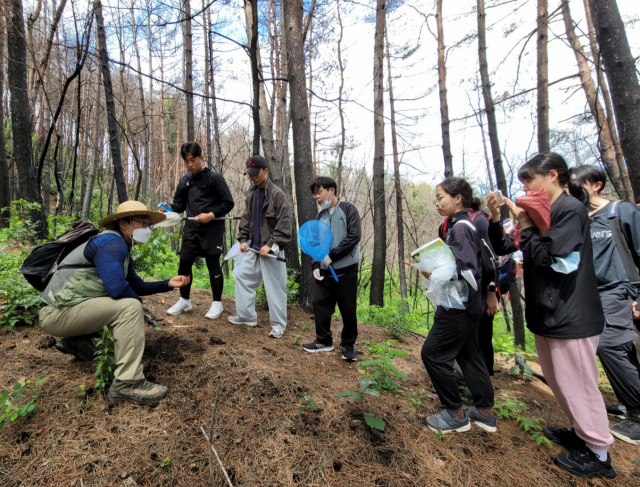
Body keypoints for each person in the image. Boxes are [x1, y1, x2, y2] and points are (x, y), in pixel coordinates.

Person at [488, 152, 615, 479]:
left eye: (530, 179)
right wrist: (508, 221)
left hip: (570, 312)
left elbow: (556, 259)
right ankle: (581, 432)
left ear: (554, 176)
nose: (527, 187)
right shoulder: (545, 210)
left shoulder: (569, 210)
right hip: (549, 310)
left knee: (580, 383)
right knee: (560, 380)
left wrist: (528, 227)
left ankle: (599, 452)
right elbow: (513, 249)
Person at [39, 201, 190, 405]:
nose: (146, 229)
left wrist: (167, 283)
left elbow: (135, 285)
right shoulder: (112, 244)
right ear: (124, 224)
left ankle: (77, 342)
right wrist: (137, 310)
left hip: (68, 309)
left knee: (128, 304)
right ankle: (128, 383)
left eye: (148, 225)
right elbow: (118, 290)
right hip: (57, 314)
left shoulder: (120, 246)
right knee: (129, 307)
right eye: (142, 224)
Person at [571, 165, 640, 445]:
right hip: (590, 295)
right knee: (617, 348)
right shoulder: (578, 218)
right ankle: (628, 404)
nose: (571, 190)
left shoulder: (620, 211)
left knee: (609, 345)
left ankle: (637, 415)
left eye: (577, 184)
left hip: (620, 291)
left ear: (596, 184)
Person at [421, 178, 496, 435]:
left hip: (458, 307)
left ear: (458, 198)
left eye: (440, 197)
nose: (437, 203)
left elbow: (467, 271)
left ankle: (455, 414)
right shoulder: (463, 226)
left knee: (432, 354)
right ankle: (485, 412)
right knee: (469, 354)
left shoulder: (461, 228)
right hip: (471, 306)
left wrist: (432, 272)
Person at [162, 141, 234, 319]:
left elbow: (228, 203)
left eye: (193, 160)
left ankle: (217, 303)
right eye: (186, 161)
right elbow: (179, 205)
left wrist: (211, 214)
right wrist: (169, 208)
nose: (190, 165)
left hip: (212, 229)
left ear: (202, 157)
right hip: (191, 230)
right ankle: (184, 300)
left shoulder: (215, 179)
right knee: (184, 263)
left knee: (213, 265)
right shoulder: (185, 182)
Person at [228, 155, 292, 338]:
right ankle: (246, 316)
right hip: (253, 248)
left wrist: (270, 245)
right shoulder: (252, 194)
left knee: (275, 288)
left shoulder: (278, 195)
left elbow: (284, 225)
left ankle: (279, 325)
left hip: (271, 251)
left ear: (266, 171)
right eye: (250, 174)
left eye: (256, 173)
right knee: (241, 276)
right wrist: (242, 239)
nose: (253, 177)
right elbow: (246, 219)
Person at [302, 177, 362, 362]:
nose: (317, 197)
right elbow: (314, 243)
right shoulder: (320, 217)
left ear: (332, 190)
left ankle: (348, 344)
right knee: (319, 303)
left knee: (348, 308)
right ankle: (323, 340)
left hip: (346, 270)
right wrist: (315, 264)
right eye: (315, 194)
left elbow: (354, 236)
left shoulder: (348, 210)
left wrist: (333, 255)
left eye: (319, 192)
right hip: (324, 271)